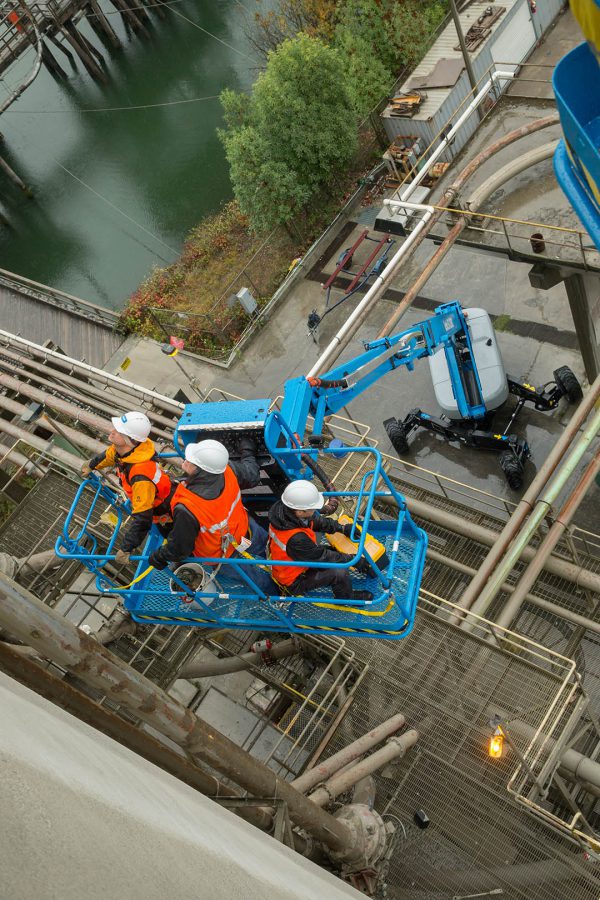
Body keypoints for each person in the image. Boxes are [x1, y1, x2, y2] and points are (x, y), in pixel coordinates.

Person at [148, 438, 275, 594]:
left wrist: (159, 557)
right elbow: (252, 475)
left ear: (201, 469)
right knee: (270, 550)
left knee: (257, 580)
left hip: (225, 558)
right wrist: (247, 450)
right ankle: (282, 573)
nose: (185, 461)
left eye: (190, 460)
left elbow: (180, 548)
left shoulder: (187, 506)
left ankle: (275, 595)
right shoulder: (227, 470)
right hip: (246, 532)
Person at [81, 411, 175, 565]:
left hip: (171, 515)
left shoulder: (140, 474)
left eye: (118, 431)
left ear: (129, 440)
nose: (112, 431)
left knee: (183, 546)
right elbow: (109, 455)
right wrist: (91, 465)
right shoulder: (127, 451)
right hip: (163, 508)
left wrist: (126, 548)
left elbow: (143, 518)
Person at [268, 479, 373, 601]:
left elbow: (316, 521)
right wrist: (353, 560)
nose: (316, 511)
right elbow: (323, 557)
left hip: (297, 560)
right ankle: (345, 598)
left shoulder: (286, 512)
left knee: (333, 552)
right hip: (293, 580)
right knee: (338, 572)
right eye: (312, 508)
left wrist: (342, 528)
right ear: (300, 511)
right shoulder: (296, 539)